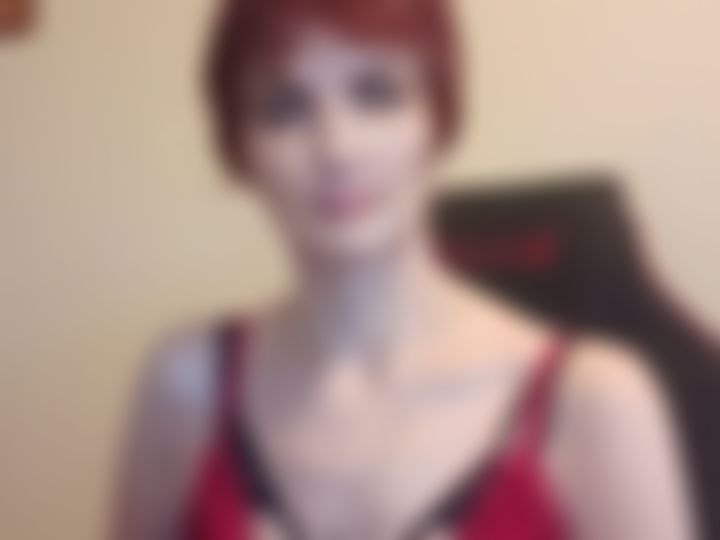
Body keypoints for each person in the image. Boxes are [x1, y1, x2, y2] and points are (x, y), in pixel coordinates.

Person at [114, 0, 696, 538]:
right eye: (285, 107)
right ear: (239, 146)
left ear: (436, 120)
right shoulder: (185, 388)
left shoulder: (593, 403)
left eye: (377, 94)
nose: (337, 147)